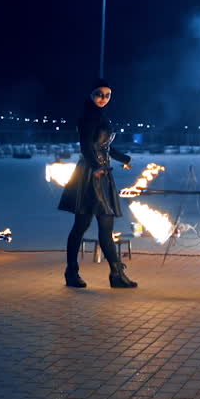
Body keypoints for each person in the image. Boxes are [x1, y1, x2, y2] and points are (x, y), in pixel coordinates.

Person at [57, 79, 138, 289]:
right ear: (91, 95)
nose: (103, 98)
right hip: (90, 176)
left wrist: (125, 158)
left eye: (107, 95)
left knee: (104, 226)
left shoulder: (101, 116)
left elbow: (105, 147)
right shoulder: (88, 116)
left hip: (102, 174)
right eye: (99, 94)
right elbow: (85, 146)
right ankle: (73, 272)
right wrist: (96, 167)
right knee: (81, 225)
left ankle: (116, 274)